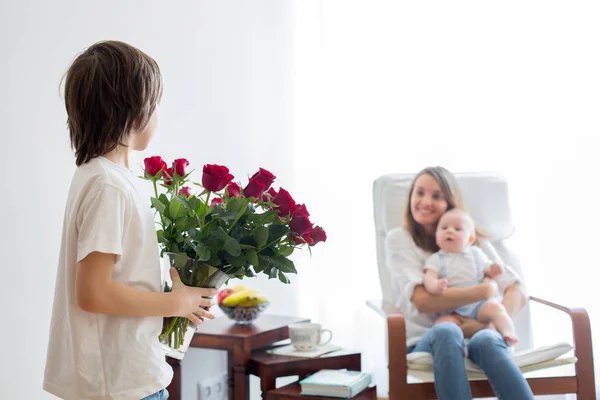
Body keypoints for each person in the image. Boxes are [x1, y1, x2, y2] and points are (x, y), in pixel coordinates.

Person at [43, 41, 217, 400]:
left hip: (118, 376)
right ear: (136, 113)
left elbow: (116, 280)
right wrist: (176, 304)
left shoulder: (99, 176)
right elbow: (94, 292)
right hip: (120, 384)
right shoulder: (109, 186)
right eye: (156, 106)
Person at [385, 166, 534, 399]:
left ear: (450, 202)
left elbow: (517, 288)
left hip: (480, 332)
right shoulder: (400, 239)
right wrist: (485, 290)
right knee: (447, 330)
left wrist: (490, 324)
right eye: (420, 192)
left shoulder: (471, 242)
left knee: (488, 341)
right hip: (428, 339)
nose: (425, 201)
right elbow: (423, 301)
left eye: (436, 196)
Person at [423, 208, 518, 345]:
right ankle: (460, 347)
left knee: (497, 310)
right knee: (443, 324)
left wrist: (494, 269)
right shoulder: (436, 259)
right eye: (444, 228)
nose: (450, 231)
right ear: (437, 236)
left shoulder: (476, 254)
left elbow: (488, 269)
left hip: (478, 305)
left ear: (470, 239)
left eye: (458, 229)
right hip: (453, 308)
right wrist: (435, 285)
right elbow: (429, 277)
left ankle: (508, 332)